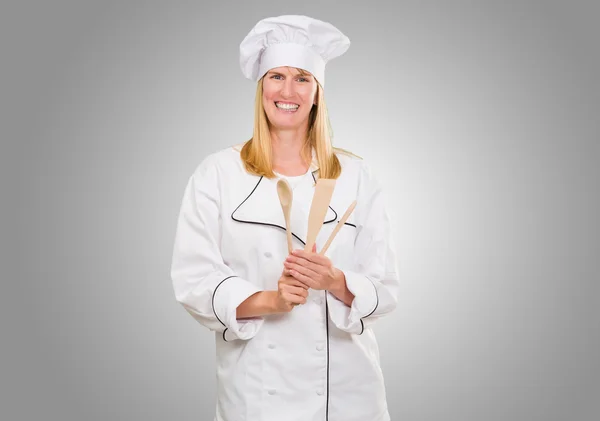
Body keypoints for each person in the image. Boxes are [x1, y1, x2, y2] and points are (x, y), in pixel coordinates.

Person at [170, 15, 400, 421]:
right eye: (276, 76)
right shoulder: (218, 173)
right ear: (261, 88)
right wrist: (271, 300)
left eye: (302, 78)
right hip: (256, 393)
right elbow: (194, 280)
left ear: (317, 92)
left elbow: (386, 290)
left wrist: (335, 282)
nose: (288, 91)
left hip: (347, 396)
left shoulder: (355, 177)